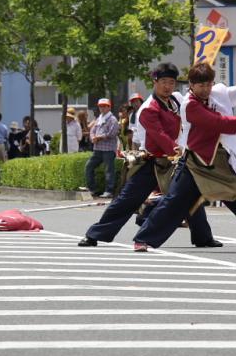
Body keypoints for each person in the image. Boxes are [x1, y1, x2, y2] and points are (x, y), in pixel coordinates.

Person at [133, 62, 236, 253]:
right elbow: (214, 122)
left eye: (208, 84)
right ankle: (143, 239)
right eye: (201, 85)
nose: (206, 89)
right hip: (195, 162)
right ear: (191, 85)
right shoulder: (189, 105)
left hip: (219, 161)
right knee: (174, 201)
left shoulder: (218, 94)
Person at [78, 62, 221, 249]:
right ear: (155, 82)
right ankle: (94, 235)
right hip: (153, 162)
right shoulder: (148, 108)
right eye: (164, 82)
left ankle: (203, 237)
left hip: (174, 162)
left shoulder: (176, 100)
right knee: (127, 200)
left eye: (171, 82)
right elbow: (159, 136)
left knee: (190, 196)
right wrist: (179, 150)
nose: (168, 86)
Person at [84, 98, 119, 198]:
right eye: (100, 106)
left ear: (109, 107)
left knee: (109, 170)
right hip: (97, 149)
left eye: (104, 106)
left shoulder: (113, 119)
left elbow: (112, 133)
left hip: (108, 149)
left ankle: (109, 191)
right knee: (89, 166)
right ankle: (92, 189)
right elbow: (92, 131)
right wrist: (92, 137)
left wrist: (99, 137)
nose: (102, 108)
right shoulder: (99, 118)